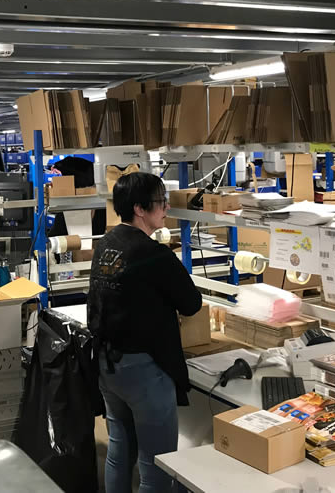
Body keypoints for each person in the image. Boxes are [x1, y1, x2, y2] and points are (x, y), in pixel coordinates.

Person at [87, 172, 202, 493]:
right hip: (144, 371)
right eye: (161, 202)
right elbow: (191, 304)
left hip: (108, 365)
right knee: (156, 466)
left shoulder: (106, 244)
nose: (166, 208)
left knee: (119, 451)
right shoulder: (153, 254)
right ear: (140, 209)